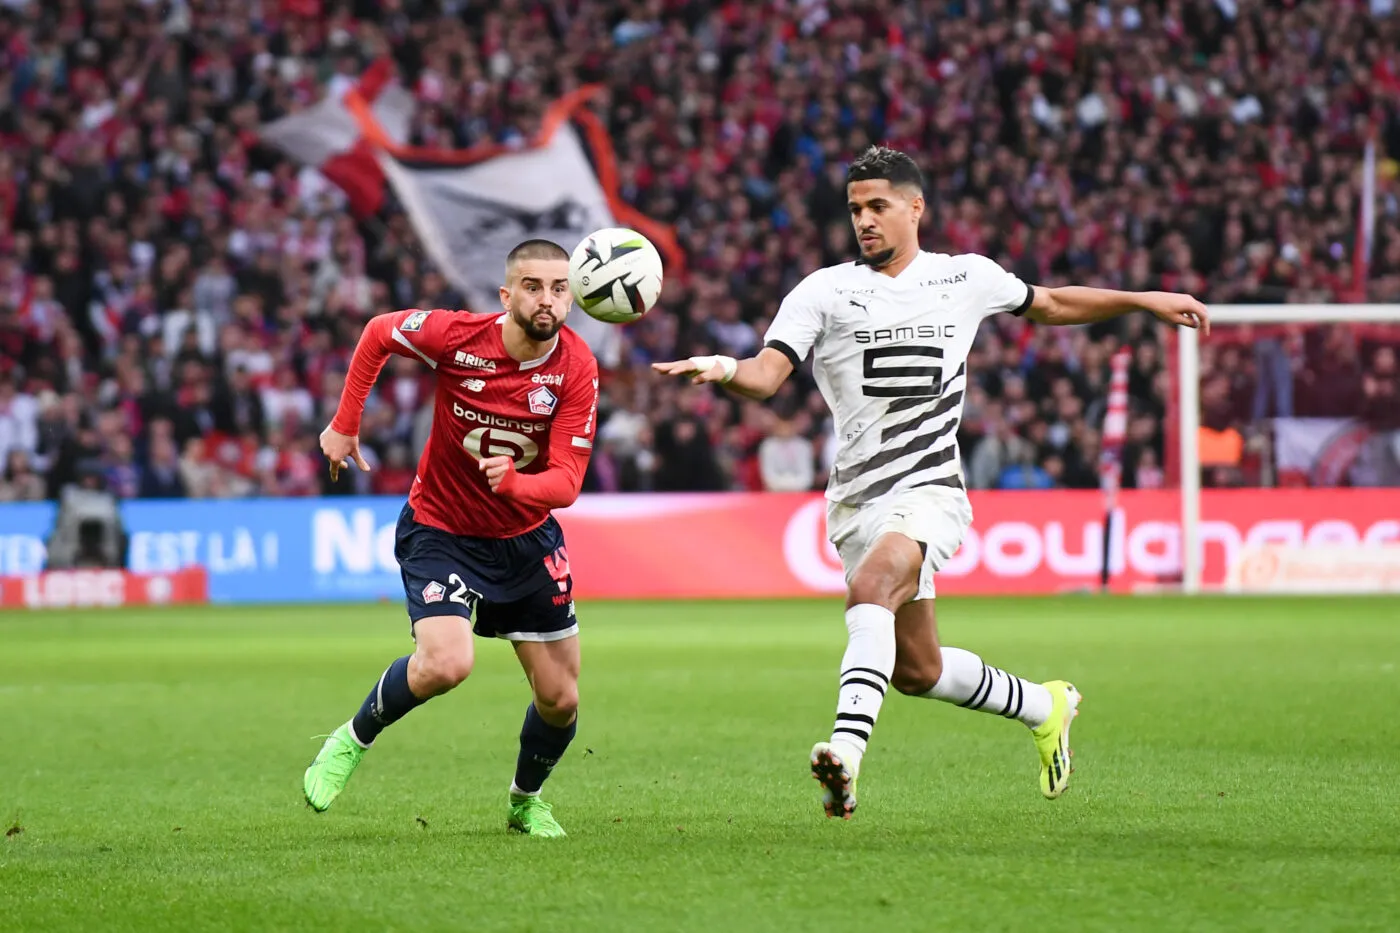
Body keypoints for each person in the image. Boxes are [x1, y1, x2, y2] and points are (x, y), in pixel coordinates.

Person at [654, 147, 1209, 820]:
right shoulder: (823, 291)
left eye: (878, 206)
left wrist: (1143, 300)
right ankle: (1045, 705)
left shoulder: (964, 277)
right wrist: (721, 367)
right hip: (856, 501)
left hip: (931, 490)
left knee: (871, 588)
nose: (864, 220)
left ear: (915, 208)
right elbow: (766, 376)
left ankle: (845, 755)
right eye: (855, 209)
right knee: (919, 670)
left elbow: (1053, 302)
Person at [304, 240, 600, 838]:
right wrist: (345, 423)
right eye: (533, 287)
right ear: (507, 295)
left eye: (559, 288)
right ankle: (351, 740)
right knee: (446, 663)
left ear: (572, 297)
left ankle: (525, 801)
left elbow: (567, 482)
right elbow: (379, 332)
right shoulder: (459, 337)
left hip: (525, 540)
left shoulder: (577, 367)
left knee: (561, 699)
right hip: (441, 530)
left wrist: (516, 484)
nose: (547, 300)